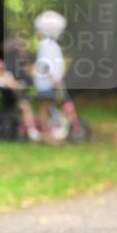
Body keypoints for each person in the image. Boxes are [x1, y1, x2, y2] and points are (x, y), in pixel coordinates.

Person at [33, 10, 67, 144]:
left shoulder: (50, 44)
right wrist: (54, 79)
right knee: (45, 108)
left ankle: (47, 132)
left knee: (48, 108)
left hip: (50, 82)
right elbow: (46, 63)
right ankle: (46, 136)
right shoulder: (46, 44)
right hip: (46, 83)